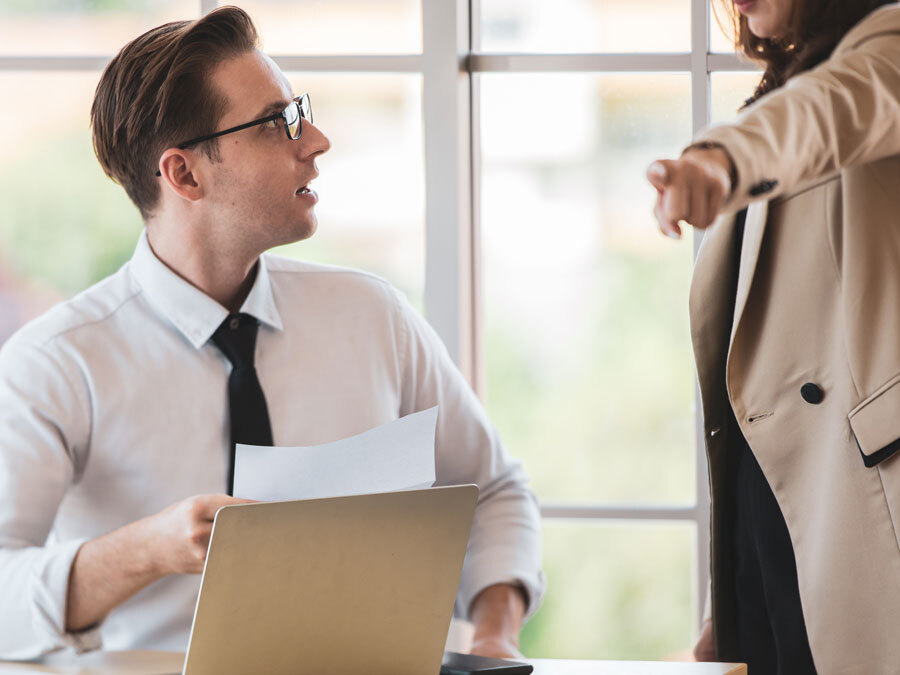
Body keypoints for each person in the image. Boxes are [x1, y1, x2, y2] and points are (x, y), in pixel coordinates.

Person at [0, 7, 544, 660]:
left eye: (299, 110)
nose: (316, 140)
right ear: (184, 175)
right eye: (276, 122)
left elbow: (493, 492)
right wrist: (147, 549)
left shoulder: (373, 318)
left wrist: (494, 638)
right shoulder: (57, 363)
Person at [647, 0, 900, 672]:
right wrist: (731, 590)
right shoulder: (781, 88)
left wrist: (721, 158)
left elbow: (829, 111)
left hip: (869, 519)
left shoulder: (886, 49)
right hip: (778, 530)